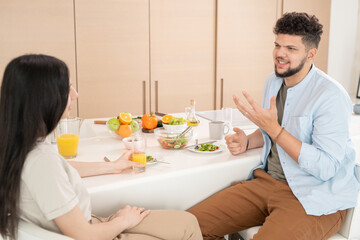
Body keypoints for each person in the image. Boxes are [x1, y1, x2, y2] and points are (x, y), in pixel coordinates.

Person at [188, 12, 360, 240]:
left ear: (311, 54)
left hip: (314, 197)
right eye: (277, 45)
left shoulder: (331, 96)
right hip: (267, 182)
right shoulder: (273, 81)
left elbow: (326, 167)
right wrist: (249, 140)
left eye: (291, 48)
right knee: (189, 226)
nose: (280, 53)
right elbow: (273, 128)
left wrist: (275, 130)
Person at [0, 54, 202, 240]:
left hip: (88, 223)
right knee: (188, 227)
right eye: (67, 88)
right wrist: (123, 221)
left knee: (188, 221)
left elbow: (60, 169)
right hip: (91, 232)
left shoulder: (19, 145)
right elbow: (84, 235)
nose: (75, 94)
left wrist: (112, 166)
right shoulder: (42, 162)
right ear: (44, 98)